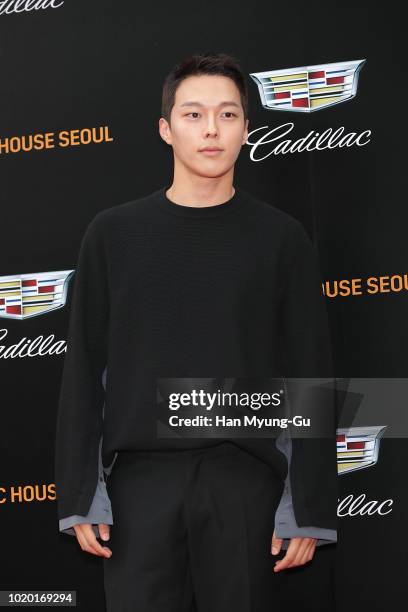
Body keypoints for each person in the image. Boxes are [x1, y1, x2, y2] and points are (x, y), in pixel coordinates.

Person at [55, 52, 338, 611]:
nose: (211, 129)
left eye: (228, 115)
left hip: (245, 486)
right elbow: (84, 370)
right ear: (166, 129)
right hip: (138, 489)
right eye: (193, 114)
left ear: (247, 129)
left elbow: (312, 372)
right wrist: (81, 495)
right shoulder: (113, 235)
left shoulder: (282, 239)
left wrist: (308, 504)